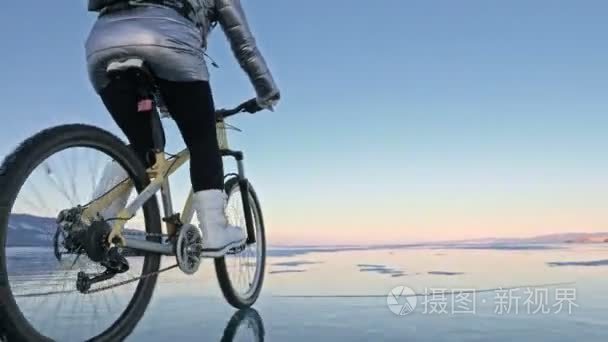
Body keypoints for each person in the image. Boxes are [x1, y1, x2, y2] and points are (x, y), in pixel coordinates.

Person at [85, 0, 280, 257]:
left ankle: (98, 221)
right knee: (202, 139)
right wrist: (267, 92)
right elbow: (244, 45)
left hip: (100, 45)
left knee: (144, 147)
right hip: (168, 43)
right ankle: (214, 232)